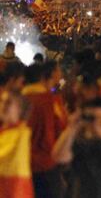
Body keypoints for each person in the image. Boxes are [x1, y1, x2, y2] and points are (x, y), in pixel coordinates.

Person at [22, 62, 67, 198]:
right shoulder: (48, 100)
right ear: (44, 77)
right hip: (45, 164)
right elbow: (57, 129)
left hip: (23, 164)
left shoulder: (17, 100)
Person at [0, 89, 34, 198]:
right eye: (1, 101)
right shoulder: (5, 132)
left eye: (8, 102)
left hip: (14, 192)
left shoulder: (22, 133)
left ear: (19, 108)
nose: (3, 105)